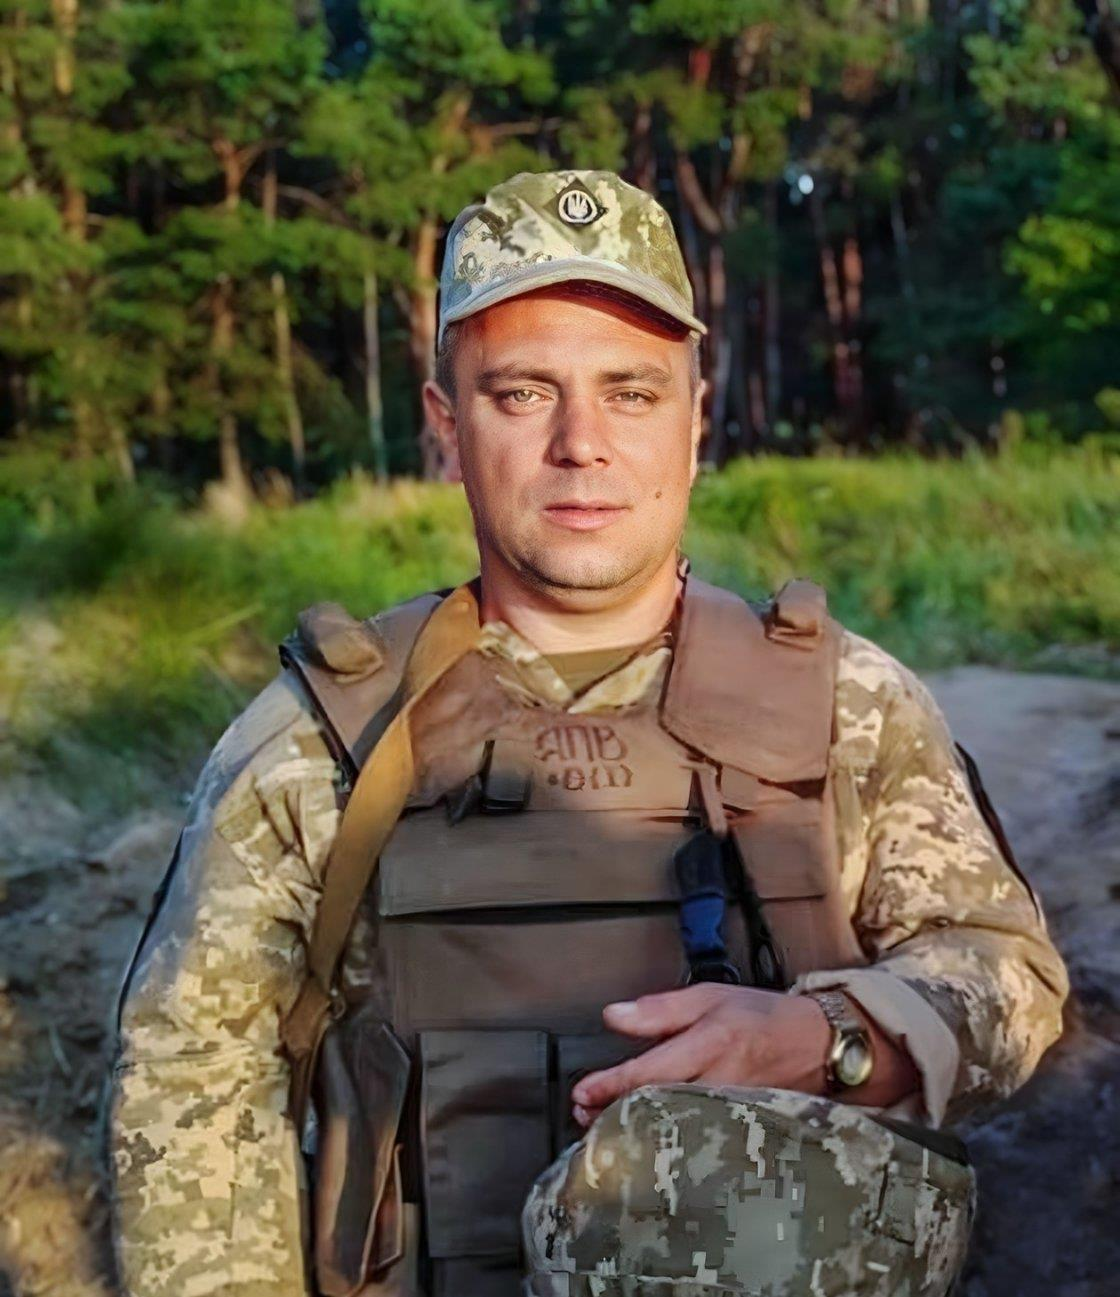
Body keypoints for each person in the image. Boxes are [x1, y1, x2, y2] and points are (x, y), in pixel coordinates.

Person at [111, 171, 1068, 1297]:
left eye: (631, 392)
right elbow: (190, 1087)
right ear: (447, 426)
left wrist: (832, 1038)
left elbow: (1006, 976)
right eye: (523, 393)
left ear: (694, 421)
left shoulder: (847, 706)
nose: (581, 443)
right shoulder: (321, 743)